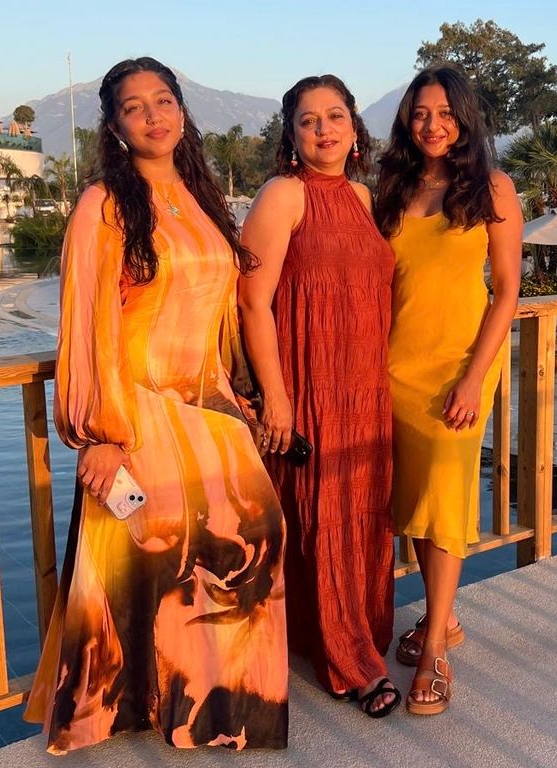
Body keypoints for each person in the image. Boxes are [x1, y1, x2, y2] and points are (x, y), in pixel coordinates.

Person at [24, 57, 288, 753]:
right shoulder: (102, 206)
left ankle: (222, 708)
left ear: (181, 110)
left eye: (164, 100)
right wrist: (99, 435)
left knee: (249, 545)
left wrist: (240, 400)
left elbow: (216, 313)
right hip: (135, 416)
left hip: (209, 410)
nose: (154, 115)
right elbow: (85, 324)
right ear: (114, 126)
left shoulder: (199, 195)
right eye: (135, 107)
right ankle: (130, 707)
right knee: (147, 562)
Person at [238, 75, 399, 718]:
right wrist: (276, 398)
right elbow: (253, 301)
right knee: (326, 517)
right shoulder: (283, 194)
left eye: (335, 116)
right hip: (310, 384)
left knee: (363, 517)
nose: (324, 129)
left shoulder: (365, 197)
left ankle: (335, 633)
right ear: (292, 135)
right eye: (309, 121)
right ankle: (351, 663)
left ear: (355, 129)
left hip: (367, 386)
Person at [375, 65, 522, 716]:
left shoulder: (492, 188)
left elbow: (508, 290)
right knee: (411, 494)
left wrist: (473, 378)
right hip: (393, 366)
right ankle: (444, 617)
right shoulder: (392, 185)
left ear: (464, 117)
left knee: (442, 491)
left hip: (459, 369)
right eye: (419, 113)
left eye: (444, 112)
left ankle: (434, 643)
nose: (432, 124)